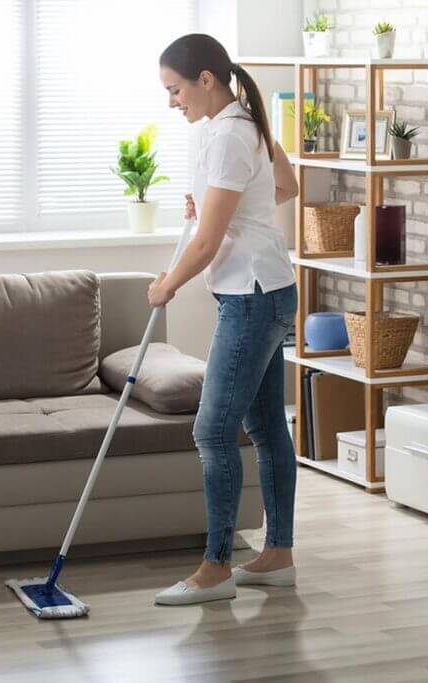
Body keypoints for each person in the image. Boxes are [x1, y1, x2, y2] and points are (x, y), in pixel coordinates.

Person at [150, 33, 301, 606]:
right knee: (265, 428)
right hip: (264, 289)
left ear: (205, 80)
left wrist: (167, 285)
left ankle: (216, 569)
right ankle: (278, 555)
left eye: (175, 89)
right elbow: (280, 186)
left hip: (252, 296)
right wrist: (221, 201)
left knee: (212, 430)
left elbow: (209, 241)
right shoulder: (240, 125)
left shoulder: (232, 134)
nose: (172, 102)